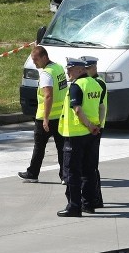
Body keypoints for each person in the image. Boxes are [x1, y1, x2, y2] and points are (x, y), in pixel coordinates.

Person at [57, 57, 103, 217]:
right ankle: (89, 205)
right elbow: (101, 106)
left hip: (76, 135)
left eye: (70, 69)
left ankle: (74, 206)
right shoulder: (95, 84)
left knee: (72, 172)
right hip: (92, 135)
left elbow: (77, 110)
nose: (67, 72)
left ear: (80, 70)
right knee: (89, 171)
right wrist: (96, 126)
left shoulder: (77, 86)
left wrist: (89, 125)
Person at [18, 46, 68, 183]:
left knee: (39, 147)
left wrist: (45, 118)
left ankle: (33, 173)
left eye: (36, 60)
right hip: (60, 115)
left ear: (44, 57)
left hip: (46, 117)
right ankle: (65, 176)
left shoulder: (46, 74)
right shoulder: (58, 68)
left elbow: (48, 96)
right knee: (61, 147)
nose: (34, 63)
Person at [82, 56, 107, 209]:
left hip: (95, 127)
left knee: (91, 167)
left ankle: (95, 199)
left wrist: (95, 125)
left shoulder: (97, 83)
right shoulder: (96, 82)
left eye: (87, 68)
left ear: (93, 67)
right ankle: (96, 198)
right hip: (94, 126)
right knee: (92, 166)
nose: (84, 71)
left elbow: (100, 107)